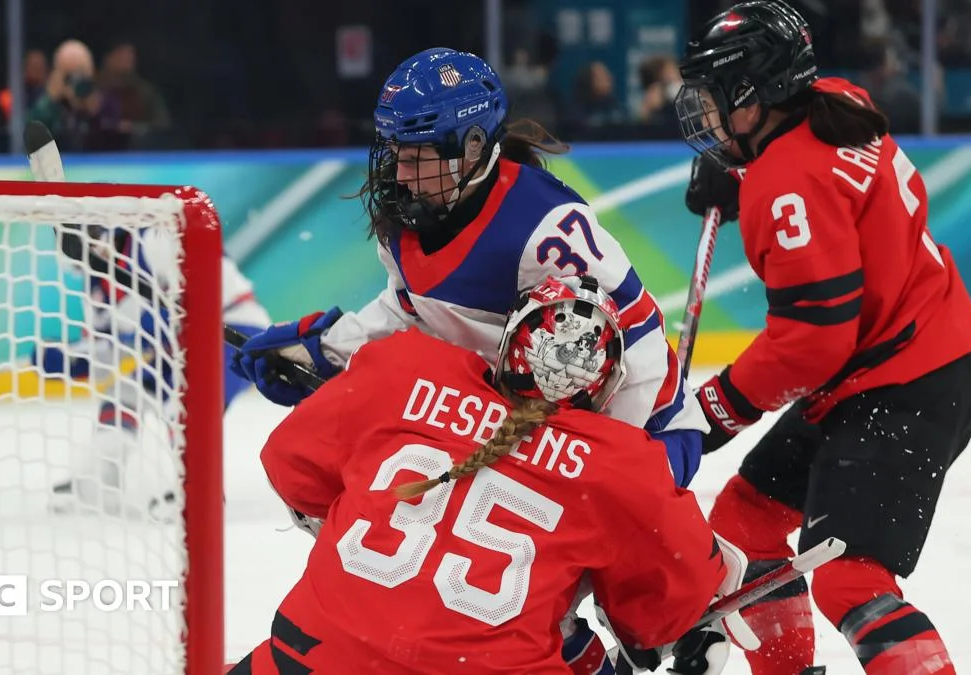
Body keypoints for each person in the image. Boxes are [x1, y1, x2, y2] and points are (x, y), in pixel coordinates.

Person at [231, 47, 707, 490]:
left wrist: (604, 469)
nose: (400, 175)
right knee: (316, 462)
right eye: (396, 154)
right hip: (531, 426)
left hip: (644, 433)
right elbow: (409, 312)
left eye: (416, 158)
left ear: (473, 146)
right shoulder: (414, 217)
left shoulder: (545, 228)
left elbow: (638, 341)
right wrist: (325, 349)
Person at [229, 275, 757, 675]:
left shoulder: (402, 371)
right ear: (605, 384)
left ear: (506, 348)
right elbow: (659, 618)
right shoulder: (623, 463)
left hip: (316, 654)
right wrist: (691, 608)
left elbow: (290, 465)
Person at [675, 2, 971, 674]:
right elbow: (824, 186)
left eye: (720, 95)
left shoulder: (788, 187)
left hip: (902, 386)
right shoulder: (837, 102)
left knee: (851, 578)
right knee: (743, 521)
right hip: (899, 366)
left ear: (757, 94)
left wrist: (711, 413)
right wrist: (739, 169)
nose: (707, 111)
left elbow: (812, 341)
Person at [37, 223, 271, 518]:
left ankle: (199, 491)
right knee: (123, 396)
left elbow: (214, 281)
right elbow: (108, 348)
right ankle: (100, 484)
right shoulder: (96, 284)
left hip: (232, 332)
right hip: (181, 346)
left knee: (187, 403)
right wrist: (69, 357)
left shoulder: (155, 241)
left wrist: (168, 313)